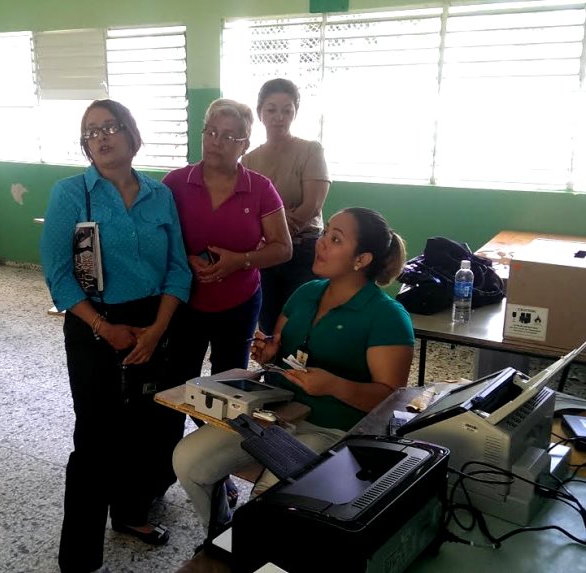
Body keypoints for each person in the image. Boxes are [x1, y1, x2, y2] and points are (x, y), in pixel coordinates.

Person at [173, 208, 414, 529]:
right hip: (274, 417)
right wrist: (270, 355)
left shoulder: (387, 316)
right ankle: (220, 536)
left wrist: (333, 386)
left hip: (333, 431)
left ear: (362, 259)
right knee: (187, 460)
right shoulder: (306, 294)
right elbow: (281, 357)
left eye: (336, 239)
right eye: (326, 232)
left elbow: (390, 402)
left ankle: (254, 551)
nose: (321, 242)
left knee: (270, 498)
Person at [40, 99, 192, 573]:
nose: (101, 137)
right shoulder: (71, 194)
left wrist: (157, 329)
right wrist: (105, 328)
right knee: (96, 435)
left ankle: (130, 513)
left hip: (154, 322)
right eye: (91, 132)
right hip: (94, 325)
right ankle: (80, 556)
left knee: (146, 427)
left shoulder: (158, 193)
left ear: (130, 133)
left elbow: (178, 269)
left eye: (110, 127)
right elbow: (59, 274)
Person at [162, 97, 292, 399]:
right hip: (184, 300)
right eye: (210, 132)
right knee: (177, 379)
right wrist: (186, 260)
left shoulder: (260, 188)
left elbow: (283, 248)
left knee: (228, 383)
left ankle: (220, 442)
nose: (215, 141)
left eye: (228, 136)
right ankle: (170, 445)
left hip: (239, 302)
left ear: (244, 145)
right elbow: (157, 242)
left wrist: (240, 261)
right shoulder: (175, 183)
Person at [242, 78, 331, 334]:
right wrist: (268, 244)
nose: (279, 117)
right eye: (271, 109)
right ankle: (274, 374)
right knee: (269, 323)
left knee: (301, 323)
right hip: (266, 254)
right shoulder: (249, 159)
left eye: (287, 110)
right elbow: (247, 210)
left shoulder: (310, 150)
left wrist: (276, 236)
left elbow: (312, 205)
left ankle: (302, 375)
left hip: (304, 251)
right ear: (260, 113)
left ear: (295, 113)